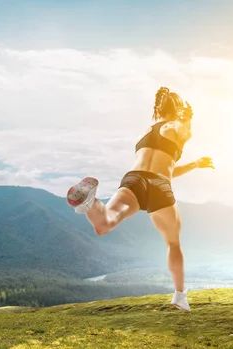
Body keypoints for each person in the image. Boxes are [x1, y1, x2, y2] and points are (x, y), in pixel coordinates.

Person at [66, 86, 214, 312]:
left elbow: (167, 166)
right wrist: (188, 117)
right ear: (176, 110)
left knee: (105, 223)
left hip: (134, 179)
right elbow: (177, 146)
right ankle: (180, 296)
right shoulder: (176, 126)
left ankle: (91, 204)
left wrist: (194, 164)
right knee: (172, 243)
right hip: (159, 185)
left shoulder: (144, 132)